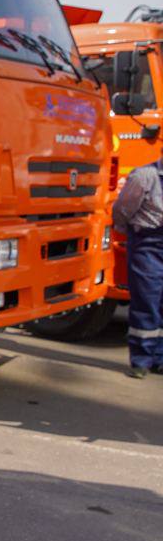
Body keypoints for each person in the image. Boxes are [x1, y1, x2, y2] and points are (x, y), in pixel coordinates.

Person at [112, 156, 163, 378]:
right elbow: (123, 208)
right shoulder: (144, 175)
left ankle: (159, 358)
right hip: (148, 244)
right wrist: (127, 231)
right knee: (146, 299)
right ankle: (141, 361)